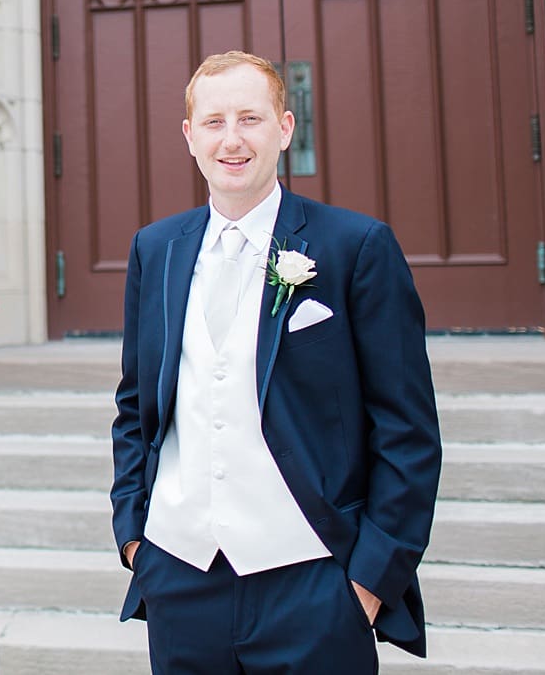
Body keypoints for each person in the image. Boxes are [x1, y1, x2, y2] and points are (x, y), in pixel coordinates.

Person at [109, 51, 441, 674]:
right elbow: (136, 407)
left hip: (314, 582)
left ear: (285, 129)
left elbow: (407, 429)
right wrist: (134, 535)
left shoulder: (355, 246)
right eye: (213, 122)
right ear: (189, 136)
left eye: (250, 119)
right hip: (181, 576)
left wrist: (368, 582)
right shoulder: (156, 250)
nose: (231, 139)